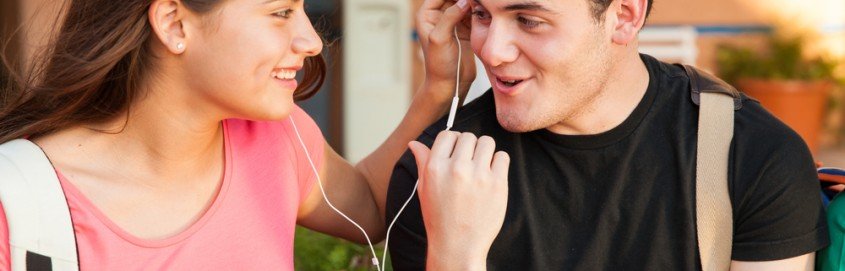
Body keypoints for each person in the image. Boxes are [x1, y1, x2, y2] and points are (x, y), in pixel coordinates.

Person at [0, 0, 509, 269]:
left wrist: (441, 85)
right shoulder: (19, 203)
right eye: (280, 12)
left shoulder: (277, 139)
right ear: (175, 24)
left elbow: (371, 212)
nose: (311, 40)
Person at [385, 0, 829, 270]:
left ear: (623, 17)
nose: (491, 50)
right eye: (482, 14)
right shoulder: (441, 174)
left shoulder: (752, 157)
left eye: (529, 19)